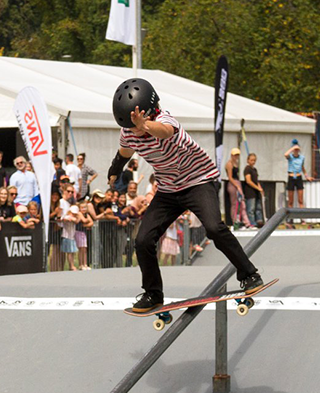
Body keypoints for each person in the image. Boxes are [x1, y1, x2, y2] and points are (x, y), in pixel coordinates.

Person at [108, 77, 262, 312]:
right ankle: (153, 294)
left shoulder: (165, 119)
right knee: (143, 240)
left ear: (149, 114)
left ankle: (249, 274)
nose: (135, 133)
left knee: (214, 228)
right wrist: (114, 170)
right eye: (131, 129)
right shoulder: (129, 132)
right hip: (168, 189)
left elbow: (165, 132)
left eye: (137, 127)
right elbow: (124, 152)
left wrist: (145, 126)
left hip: (199, 182)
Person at [284, 138, 313, 213]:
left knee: (300, 200)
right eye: (295, 149)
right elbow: (285, 154)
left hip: (298, 177)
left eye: (297, 149)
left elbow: (302, 167)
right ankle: (290, 217)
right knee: (290, 201)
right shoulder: (290, 157)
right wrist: (292, 148)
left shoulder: (302, 158)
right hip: (291, 177)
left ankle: (302, 216)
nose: (296, 150)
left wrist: (306, 176)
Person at [225, 148, 251, 229]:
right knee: (235, 204)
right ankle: (235, 222)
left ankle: (246, 222)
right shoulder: (229, 164)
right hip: (233, 184)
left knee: (242, 203)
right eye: (235, 155)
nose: (236, 156)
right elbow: (230, 177)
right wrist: (237, 186)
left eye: (237, 155)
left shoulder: (235, 163)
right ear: (232, 155)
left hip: (237, 183)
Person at [243, 153, 265, 227]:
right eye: (251, 160)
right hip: (250, 192)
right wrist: (257, 188)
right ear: (248, 160)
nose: (253, 162)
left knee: (258, 207)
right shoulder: (247, 169)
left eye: (254, 160)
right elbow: (248, 181)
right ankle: (252, 223)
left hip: (256, 192)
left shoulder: (254, 169)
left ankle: (259, 221)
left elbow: (256, 180)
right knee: (251, 209)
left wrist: (260, 188)